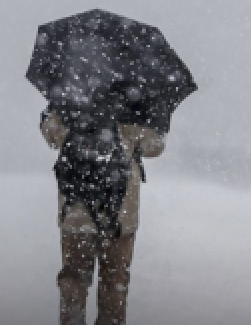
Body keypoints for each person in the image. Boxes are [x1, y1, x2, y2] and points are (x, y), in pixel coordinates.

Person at [42, 110, 164, 325]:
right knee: (115, 280)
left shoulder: (70, 94)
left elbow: (53, 136)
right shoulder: (135, 99)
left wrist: (50, 116)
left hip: (77, 209)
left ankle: (72, 320)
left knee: (74, 278)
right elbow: (154, 146)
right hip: (120, 211)